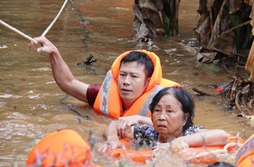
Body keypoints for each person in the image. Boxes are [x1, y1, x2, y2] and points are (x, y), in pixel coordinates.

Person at [29, 36, 179, 123]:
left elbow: (183, 130)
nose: (126, 81)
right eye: (122, 75)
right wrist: (54, 53)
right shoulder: (103, 95)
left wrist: (140, 120)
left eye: (134, 76)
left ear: (147, 82)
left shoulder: (166, 103)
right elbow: (68, 83)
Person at [101, 87, 230, 150]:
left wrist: (173, 145)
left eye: (169, 111)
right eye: (157, 111)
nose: (162, 117)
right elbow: (115, 124)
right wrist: (112, 139)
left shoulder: (191, 133)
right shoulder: (148, 134)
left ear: (185, 118)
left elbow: (223, 136)